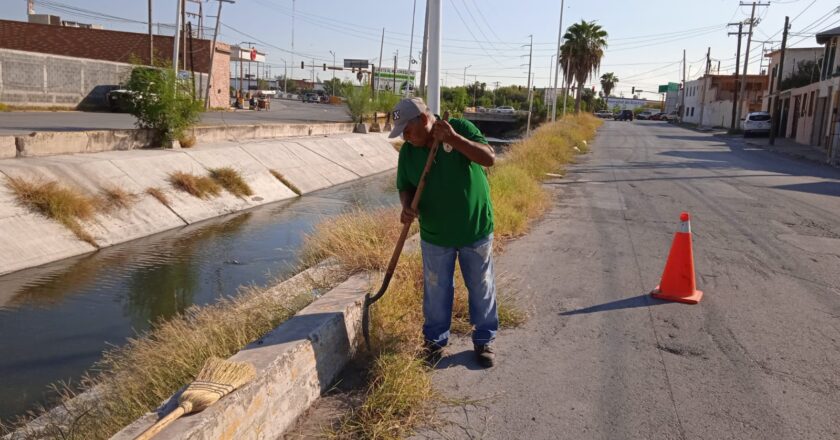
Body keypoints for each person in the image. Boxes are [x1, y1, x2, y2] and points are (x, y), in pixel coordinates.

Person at [389, 97, 498, 368]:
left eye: (408, 129)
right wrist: (406, 207)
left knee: (481, 285)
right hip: (435, 234)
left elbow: (488, 158)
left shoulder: (458, 127)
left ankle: (483, 340)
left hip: (474, 228)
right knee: (436, 289)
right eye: (401, 131)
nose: (405, 136)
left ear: (425, 120)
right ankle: (435, 341)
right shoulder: (409, 152)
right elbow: (405, 186)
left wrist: (455, 139)